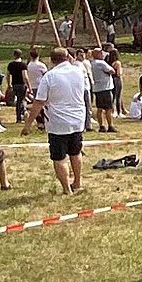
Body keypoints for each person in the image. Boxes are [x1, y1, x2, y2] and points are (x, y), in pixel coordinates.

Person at [32, 46, 89, 195]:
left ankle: (66, 189)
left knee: (59, 157)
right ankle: (77, 182)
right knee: (75, 153)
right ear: (68, 57)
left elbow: (39, 102)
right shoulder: (79, 71)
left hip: (58, 122)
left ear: (52, 61)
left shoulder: (49, 76)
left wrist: (27, 124)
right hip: (77, 119)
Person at [88, 49, 118, 133]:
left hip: (97, 88)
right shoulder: (101, 63)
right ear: (97, 54)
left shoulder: (92, 63)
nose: (102, 54)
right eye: (100, 53)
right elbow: (112, 71)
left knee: (99, 108)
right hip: (105, 88)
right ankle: (110, 125)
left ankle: (101, 126)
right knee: (108, 108)